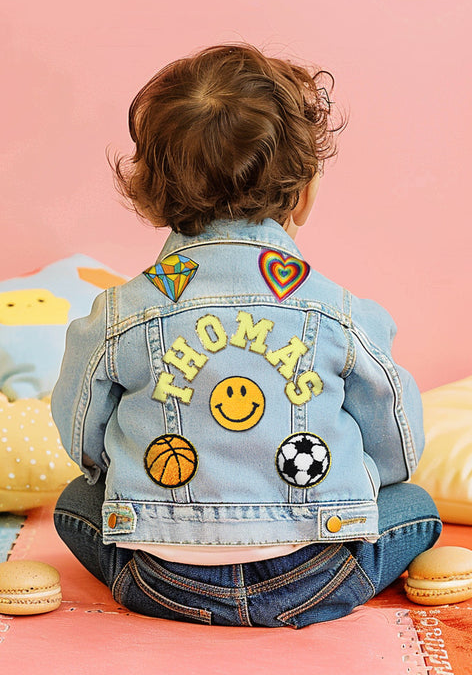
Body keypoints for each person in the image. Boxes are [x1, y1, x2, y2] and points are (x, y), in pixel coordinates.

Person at [51, 43, 441, 628]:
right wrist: (354, 483)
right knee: (417, 508)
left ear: (151, 195)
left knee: (73, 503)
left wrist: (127, 478)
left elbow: (81, 435)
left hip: (161, 581)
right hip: (318, 575)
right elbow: (398, 448)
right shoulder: (339, 313)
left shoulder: (119, 314)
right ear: (303, 192)